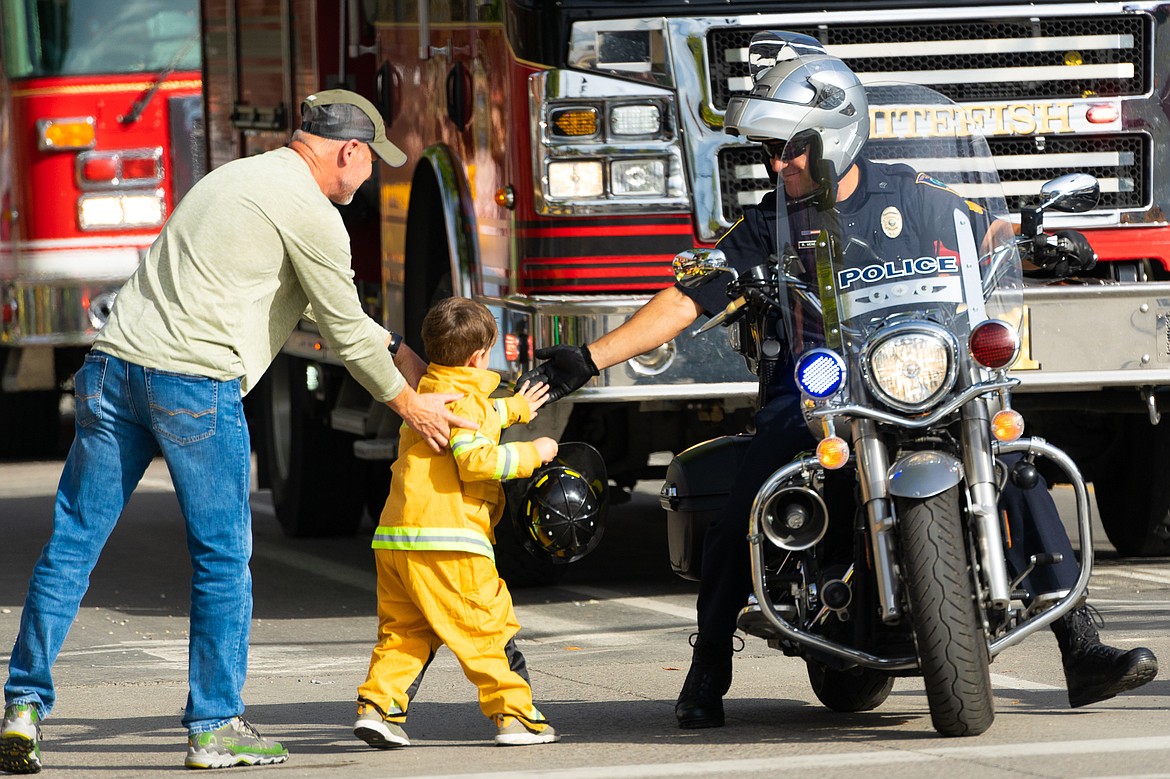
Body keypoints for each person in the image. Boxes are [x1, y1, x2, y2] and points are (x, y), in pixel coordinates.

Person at [522, 38, 1157, 729]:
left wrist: (1041, 238)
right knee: (744, 508)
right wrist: (590, 356)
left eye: (790, 148)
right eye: (771, 150)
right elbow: (689, 294)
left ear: (834, 132)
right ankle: (709, 666)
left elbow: (984, 228)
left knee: (1020, 461)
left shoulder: (911, 193)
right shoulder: (769, 221)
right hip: (821, 394)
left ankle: (1082, 646)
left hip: (921, 375)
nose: (778, 162)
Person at [0, 89, 479, 774]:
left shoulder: (234, 180)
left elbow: (307, 308)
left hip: (113, 370)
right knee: (222, 558)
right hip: (195, 384)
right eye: (369, 160)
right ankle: (215, 724)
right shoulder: (314, 214)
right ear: (348, 151)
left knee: (73, 545)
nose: (370, 174)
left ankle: (22, 707)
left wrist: (393, 341)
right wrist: (414, 404)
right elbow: (342, 328)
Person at [353, 296, 562, 748]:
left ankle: (379, 708)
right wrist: (534, 452)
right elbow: (477, 459)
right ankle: (514, 716)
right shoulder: (468, 402)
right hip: (450, 541)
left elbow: (480, 411)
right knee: (487, 630)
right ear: (478, 357)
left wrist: (517, 407)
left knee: (406, 631)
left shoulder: (425, 388)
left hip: (396, 538)